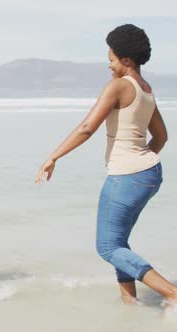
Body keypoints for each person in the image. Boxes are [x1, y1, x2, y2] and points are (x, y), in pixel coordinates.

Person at [36, 24, 176, 304]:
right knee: (118, 242)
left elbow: (88, 127)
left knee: (107, 246)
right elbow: (161, 136)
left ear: (126, 60)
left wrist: (53, 157)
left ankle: (172, 294)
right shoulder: (146, 89)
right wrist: (142, 162)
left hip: (127, 176)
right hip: (148, 174)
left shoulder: (119, 86)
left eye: (111, 60)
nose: (109, 66)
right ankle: (129, 303)